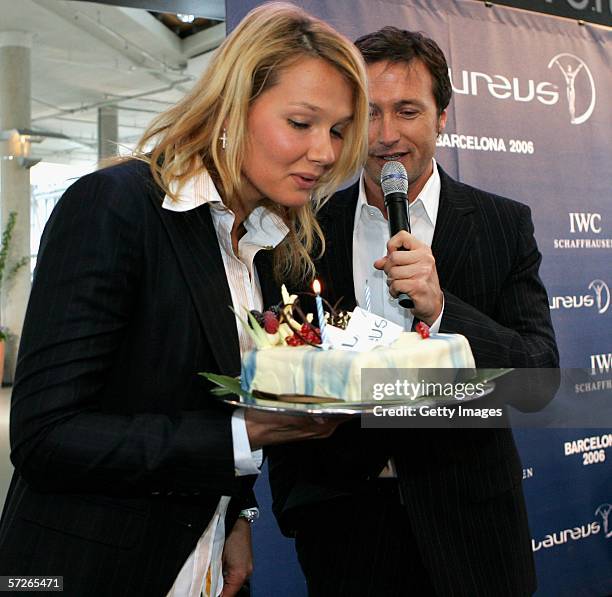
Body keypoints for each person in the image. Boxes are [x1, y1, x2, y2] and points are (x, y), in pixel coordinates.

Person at [0, 4, 369, 596]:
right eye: (301, 123)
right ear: (232, 106)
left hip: (202, 560)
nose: (326, 152)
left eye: (338, 130)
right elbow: (46, 437)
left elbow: (210, 395)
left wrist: (240, 515)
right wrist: (245, 433)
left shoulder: (268, 247)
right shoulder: (115, 207)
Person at [268, 27, 559, 597]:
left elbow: (538, 379)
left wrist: (445, 308)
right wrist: (296, 508)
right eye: (369, 114)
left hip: (473, 531)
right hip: (344, 530)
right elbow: (284, 369)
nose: (387, 136)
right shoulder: (301, 228)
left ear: (442, 117)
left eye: (407, 111)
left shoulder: (502, 224)